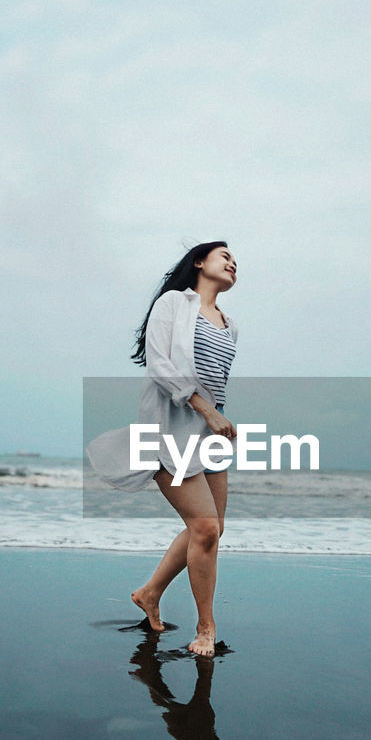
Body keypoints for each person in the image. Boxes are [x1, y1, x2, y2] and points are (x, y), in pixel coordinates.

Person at [86, 242, 238, 657]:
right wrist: (207, 411)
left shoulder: (229, 323)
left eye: (235, 260)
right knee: (205, 528)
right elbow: (160, 364)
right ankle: (205, 628)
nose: (232, 262)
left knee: (211, 530)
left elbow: (215, 381)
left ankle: (149, 592)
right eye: (223, 255)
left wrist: (220, 418)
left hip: (211, 433)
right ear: (199, 262)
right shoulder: (174, 303)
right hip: (173, 428)